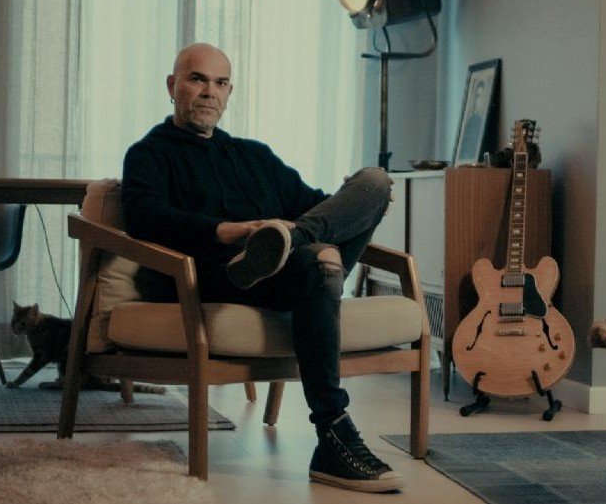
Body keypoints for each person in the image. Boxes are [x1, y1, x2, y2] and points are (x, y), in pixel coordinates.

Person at [121, 43, 401, 493]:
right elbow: (144, 217)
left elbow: (316, 204)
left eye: (220, 82)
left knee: (374, 181)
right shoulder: (149, 154)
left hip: (286, 271)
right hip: (216, 275)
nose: (209, 92)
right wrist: (227, 232)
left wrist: (359, 202)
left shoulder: (254, 155)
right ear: (172, 86)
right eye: (197, 79)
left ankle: (292, 242)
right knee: (318, 264)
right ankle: (333, 433)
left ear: (229, 93)